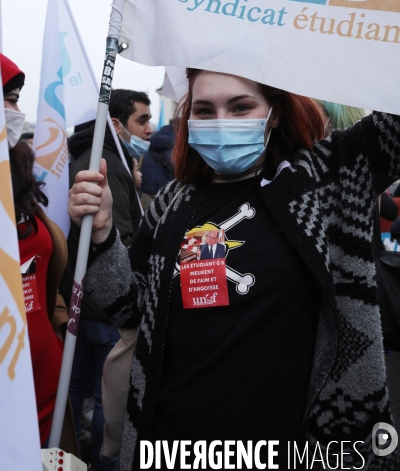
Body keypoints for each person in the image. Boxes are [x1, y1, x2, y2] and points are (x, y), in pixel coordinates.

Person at [68, 69, 400, 470]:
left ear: (274, 113)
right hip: (174, 445)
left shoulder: (324, 179)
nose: (222, 122)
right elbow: (128, 310)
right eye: (205, 111)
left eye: (241, 107)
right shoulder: (174, 201)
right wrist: (102, 235)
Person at [60, 89, 148, 470]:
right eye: (141, 121)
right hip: (102, 309)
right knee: (105, 394)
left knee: (77, 390)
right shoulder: (105, 164)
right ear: (115, 124)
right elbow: (120, 240)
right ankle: (101, 463)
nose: (148, 129)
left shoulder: (88, 156)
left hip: (77, 301)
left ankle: (72, 453)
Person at [2, 53, 77, 453]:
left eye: (15, 99)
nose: (14, 112)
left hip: (47, 377)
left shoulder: (17, 173)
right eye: (7, 99)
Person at [110, 89, 153, 158]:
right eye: (142, 121)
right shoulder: (105, 164)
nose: (150, 130)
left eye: (148, 121)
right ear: (116, 126)